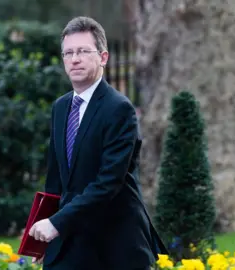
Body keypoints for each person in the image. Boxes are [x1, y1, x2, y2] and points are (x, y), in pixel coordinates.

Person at [28, 16, 168, 270]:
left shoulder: (119, 109)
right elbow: (56, 179)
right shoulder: (61, 107)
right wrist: (42, 239)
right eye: (68, 53)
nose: (75, 59)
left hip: (114, 242)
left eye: (83, 51)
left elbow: (108, 182)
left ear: (103, 57)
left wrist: (56, 223)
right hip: (70, 238)